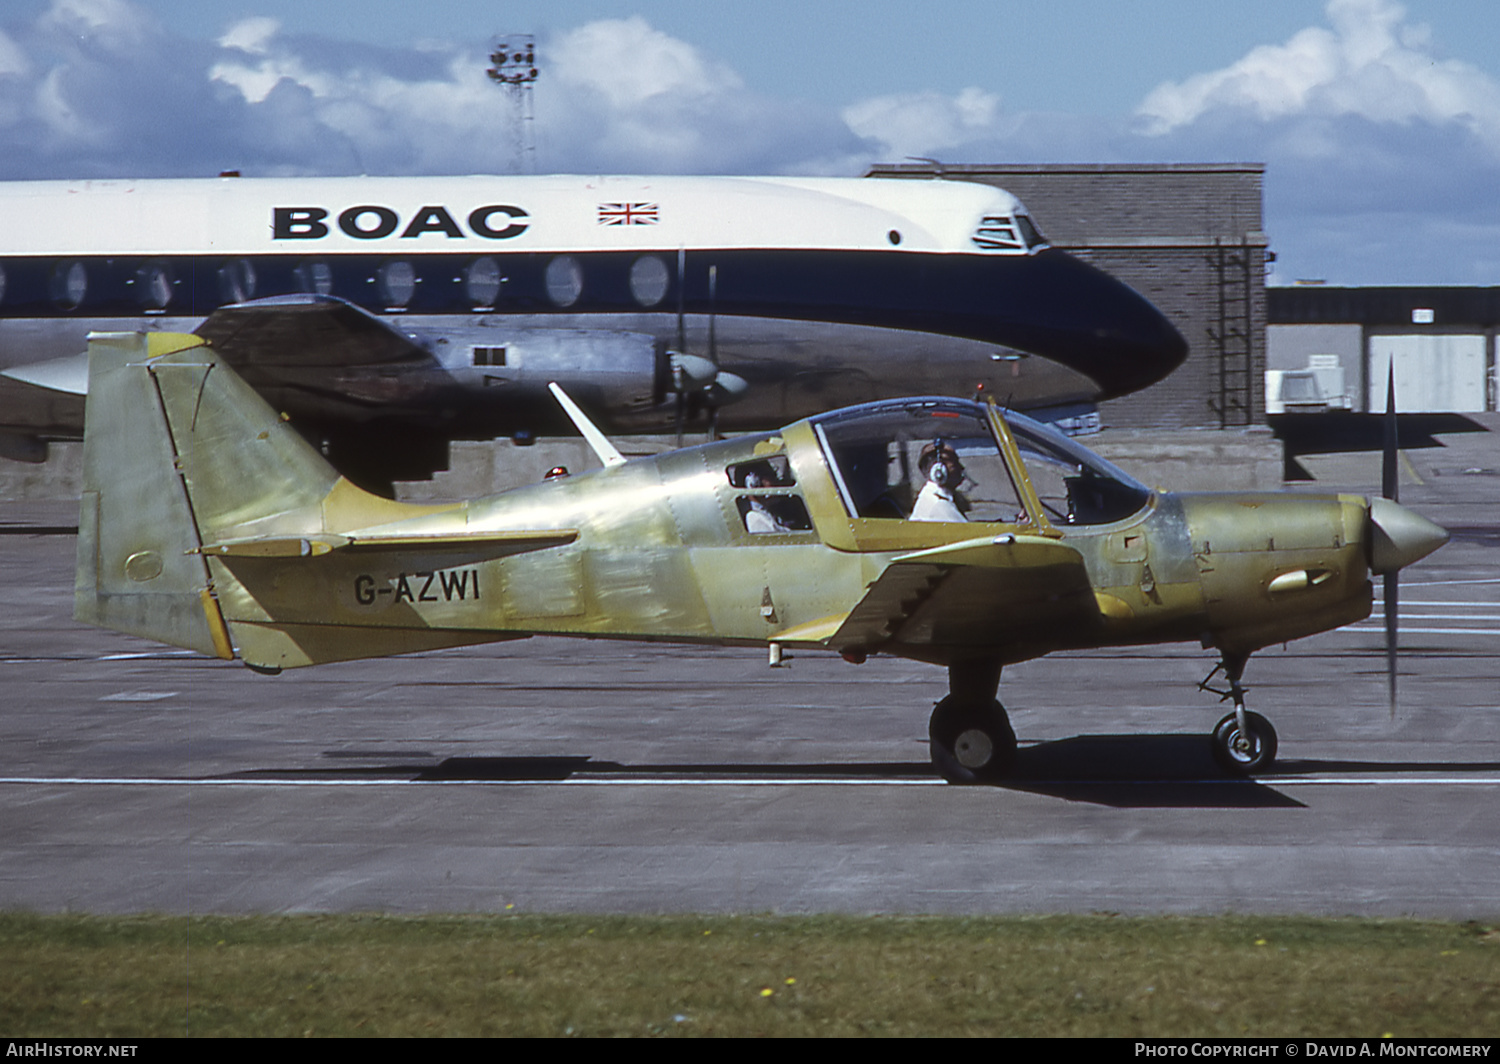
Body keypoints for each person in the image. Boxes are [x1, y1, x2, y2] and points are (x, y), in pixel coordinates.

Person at [911, 440, 968, 522]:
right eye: (955, 462)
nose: (961, 467)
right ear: (939, 471)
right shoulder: (939, 504)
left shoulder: (931, 496)